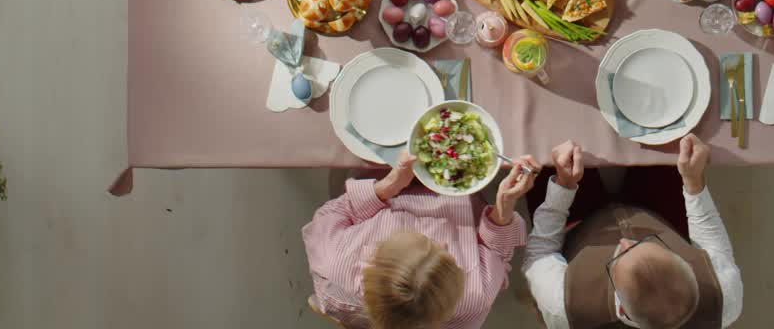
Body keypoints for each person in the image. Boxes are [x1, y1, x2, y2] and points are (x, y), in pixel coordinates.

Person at [523, 136, 743, 329]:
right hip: (659, 217)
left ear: (621, 311)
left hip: (581, 227)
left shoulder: (563, 308)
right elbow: (710, 242)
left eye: (619, 256)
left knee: (548, 144)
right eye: (653, 243)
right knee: (666, 137)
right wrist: (694, 182)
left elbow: (540, 253)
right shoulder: (724, 296)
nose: (626, 241)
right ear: (688, 267)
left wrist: (563, 187)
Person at [303, 153, 539, 328]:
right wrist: (503, 209)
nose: (445, 243)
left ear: (375, 256)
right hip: (457, 196)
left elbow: (335, 210)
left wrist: (388, 186)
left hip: (381, 176)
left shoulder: (335, 257)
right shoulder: (477, 297)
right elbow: (496, 252)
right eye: (447, 254)